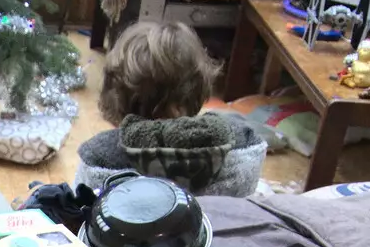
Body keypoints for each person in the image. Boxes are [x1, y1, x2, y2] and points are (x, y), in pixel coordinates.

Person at [76, 21, 266, 198]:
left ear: (115, 96)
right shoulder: (242, 146)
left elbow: (80, 212)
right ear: (197, 89)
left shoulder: (100, 160)